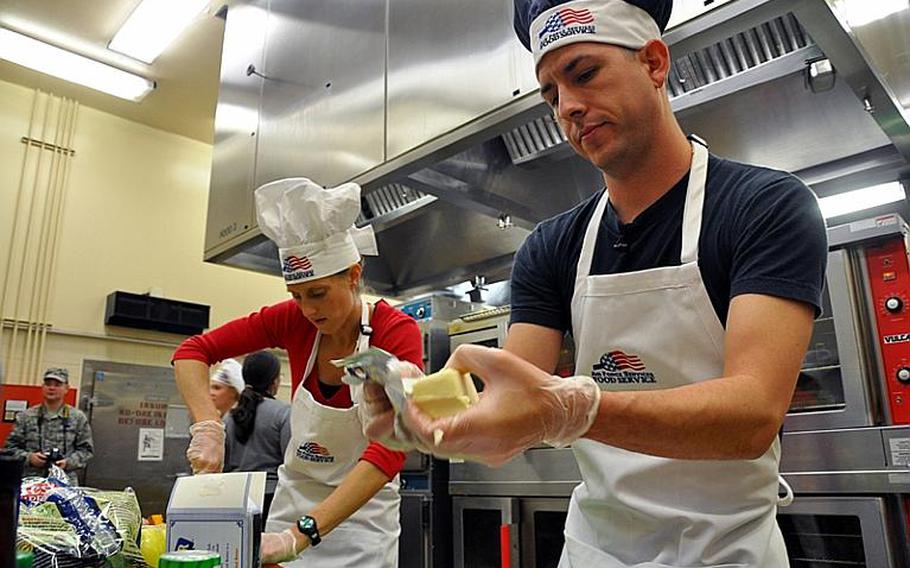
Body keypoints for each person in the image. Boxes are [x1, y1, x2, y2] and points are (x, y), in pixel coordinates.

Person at [363, 1, 828, 565]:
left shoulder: (764, 207)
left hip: (728, 549)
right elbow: (509, 406)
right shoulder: (553, 246)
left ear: (655, 63)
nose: (569, 107)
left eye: (584, 74)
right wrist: (421, 409)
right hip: (595, 551)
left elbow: (752, 415)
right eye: (552, 94)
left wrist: (576, 410)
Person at [172, 178, 423, 567]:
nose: (307, 309)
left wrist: (301, 535)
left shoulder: (394, 331)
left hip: (362, 522)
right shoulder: (293, 320)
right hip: (292, 505)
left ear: (353, 275)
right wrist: (207, 426)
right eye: (297, 295)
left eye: (318, 293)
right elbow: (193, 351)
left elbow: (391, 448)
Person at [223, 350, 291, 518]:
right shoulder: (283, 413)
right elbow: (291, 463)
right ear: (274, 381)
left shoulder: (229, 417)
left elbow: (224, 463)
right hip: (272, 499)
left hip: (237, 497)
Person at [5, 368, 95, 485]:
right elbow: (9, 449)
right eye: (48, 384)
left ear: (66, 388)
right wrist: (29, 458)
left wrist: (68, 462)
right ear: (43, 387)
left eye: (57, 384)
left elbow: (86, 450)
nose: (52, 388)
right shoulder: (25, 416)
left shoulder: (77, 417)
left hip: (65, 484)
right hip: (31, 484)